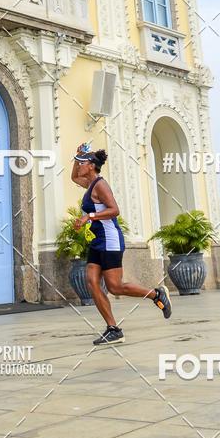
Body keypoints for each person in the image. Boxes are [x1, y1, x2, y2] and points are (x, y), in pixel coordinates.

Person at [71, 145, 172, 345]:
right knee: (91, 282)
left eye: (82, 163)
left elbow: (114, 210)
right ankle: (113, 329)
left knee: (115, 287)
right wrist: (78, 155)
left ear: (91, 166)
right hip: (98, 241)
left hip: (110, 240)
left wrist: (88, 217)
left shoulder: (100, 185)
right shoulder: (88, 183)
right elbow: (74, 177)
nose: (79, 166)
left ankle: (156, 294)